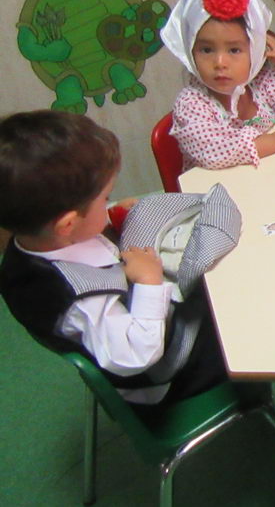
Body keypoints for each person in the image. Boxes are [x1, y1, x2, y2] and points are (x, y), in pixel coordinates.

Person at [0, 111, 231, 405]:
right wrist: (149, 281)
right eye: (104, 197)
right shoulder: (84, 301)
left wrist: (105, 219)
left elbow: (81, 239)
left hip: (135, 325)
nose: (107, 201)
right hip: (166, 373)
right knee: (247, 323)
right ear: (68, 224)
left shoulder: (31, 240)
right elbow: (138, 354)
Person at [160, 0, 275, 170]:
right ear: (190, 52)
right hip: (218, 192)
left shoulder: (261, 82)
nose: (220, 63)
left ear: (255, 50)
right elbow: (215, 152)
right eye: (207, 50)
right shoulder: (191, 104)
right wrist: (274, 142)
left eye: (234, 50)